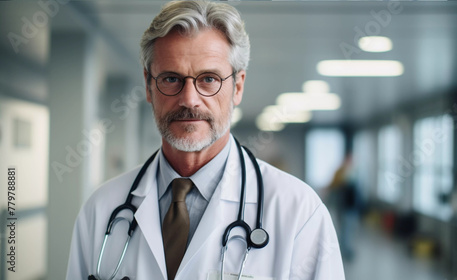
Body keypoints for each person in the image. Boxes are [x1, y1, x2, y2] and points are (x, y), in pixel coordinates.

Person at [66, 1, 344, 279]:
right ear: (149, 86)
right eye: (171, 79)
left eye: (208, 79)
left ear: (237, 87)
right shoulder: (101, 209)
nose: (189, 99)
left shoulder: (299, 213)